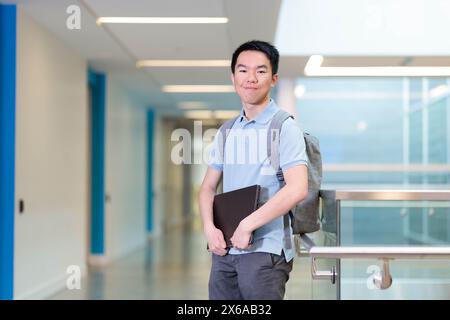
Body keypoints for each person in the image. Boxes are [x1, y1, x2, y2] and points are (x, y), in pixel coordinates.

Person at [199, 40, 308, 300]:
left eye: (260, 71)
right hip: (225, 250)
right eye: (243, 70)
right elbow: (207, 188)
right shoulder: (227, 131)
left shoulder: (284, 127)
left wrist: (247, 225)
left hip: (265, 252)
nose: (251, 78)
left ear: (273, 79)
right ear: (233, 77)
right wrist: (209, 228)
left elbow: (298, 188)